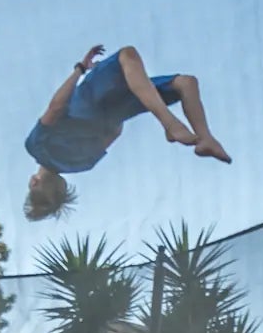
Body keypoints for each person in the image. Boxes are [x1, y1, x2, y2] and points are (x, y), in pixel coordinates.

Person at [24, 44, 231, 220]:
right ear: (33, 182)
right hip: (91, 96)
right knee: (130, 55)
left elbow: (114, 133)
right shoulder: (36, 147)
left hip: (117, 112)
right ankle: (181, 127)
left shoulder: (82, 164)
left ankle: (202, 139)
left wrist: (126, 98)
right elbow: (56, 107)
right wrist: (80, 68)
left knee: (184, 84)